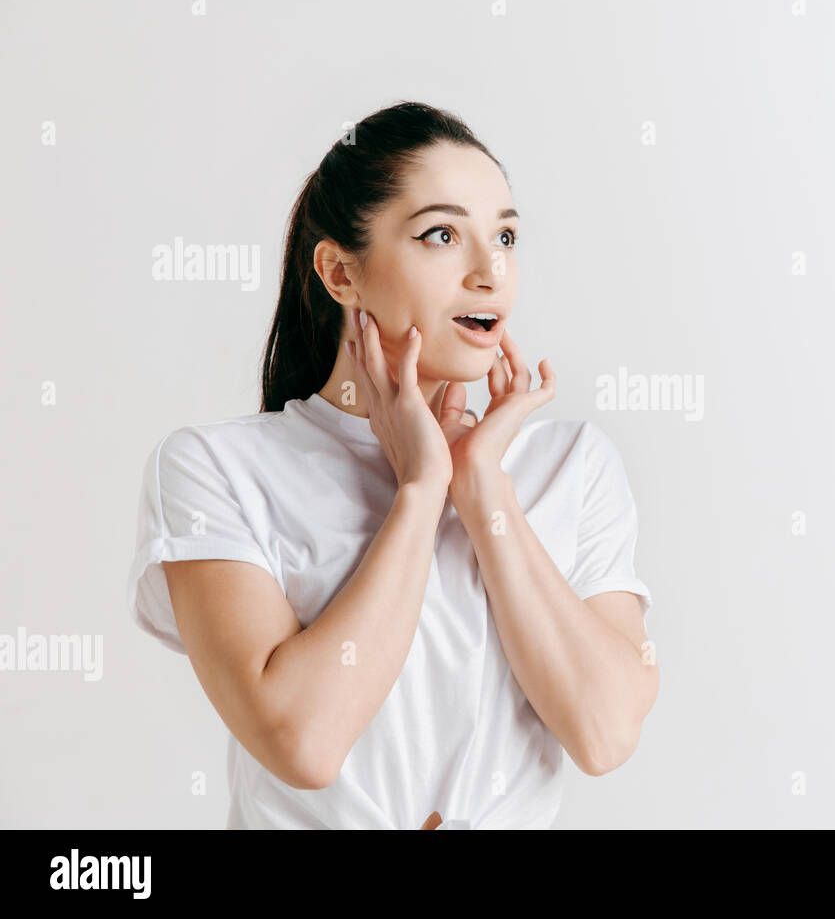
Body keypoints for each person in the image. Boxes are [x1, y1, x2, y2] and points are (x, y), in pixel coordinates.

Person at [126, 101, 659, 829]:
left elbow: (604, 732)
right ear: (340, 274)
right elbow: (302, 742)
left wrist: (484, 490)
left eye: (504, 235)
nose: (488, 271)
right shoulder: (214, 470)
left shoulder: (571, 465)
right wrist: (421, 490)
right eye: (442, 234)